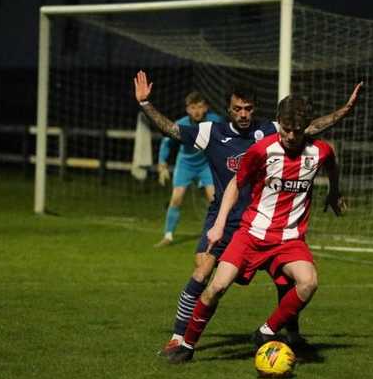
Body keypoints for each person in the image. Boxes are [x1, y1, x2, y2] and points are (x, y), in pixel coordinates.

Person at [133, 71, 361, 355]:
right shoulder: (211, 131)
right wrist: (145, 104)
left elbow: (309, 127)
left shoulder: (270, 130)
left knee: (287, 281)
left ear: (255, 108)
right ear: (227, 108)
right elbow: (173, 130)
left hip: (266, 221)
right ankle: (179, 338)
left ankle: (292, 334)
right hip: (226, 220)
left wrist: (344, 111)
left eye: (249, 109)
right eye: (237, 108)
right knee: (204, 273)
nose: (243, 114)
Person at [167, 95, 344, 364]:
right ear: (279, 123)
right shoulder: (262, 149)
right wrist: (218, 225)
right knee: (216, 286)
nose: (291, 135)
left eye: (297, 130)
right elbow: (235, 185)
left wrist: (334, 193)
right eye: (286, 128)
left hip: (288, 239)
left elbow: (332, 166)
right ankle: (187, 345)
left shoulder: (321, 150)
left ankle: (266, 332)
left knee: (309, 282)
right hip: (250, 234)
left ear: (306, 127)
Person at [154, 91, 224, 248]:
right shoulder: (182, 123)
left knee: (214, 199)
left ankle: (217, 235)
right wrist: (162, 163)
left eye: (200, 107)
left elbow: (226, 137)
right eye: (193, 107)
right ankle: (168, 236)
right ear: (187, 109)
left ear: (206, 108)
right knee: (177, 197)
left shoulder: (215, 121)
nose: (197, 111)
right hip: (185, 164)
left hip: (206, 164)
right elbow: (166, 142)